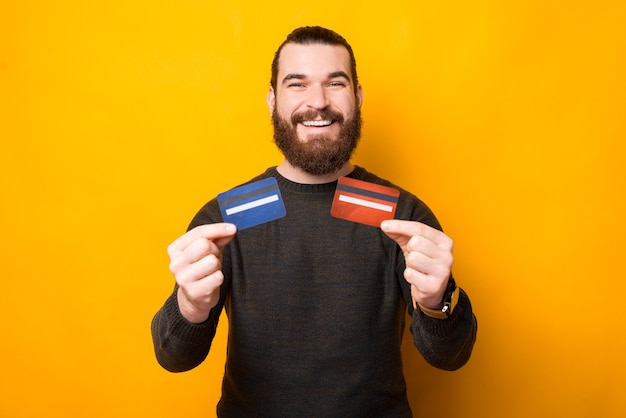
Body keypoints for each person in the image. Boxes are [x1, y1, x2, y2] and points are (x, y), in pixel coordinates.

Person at [152, 26, 477, 417]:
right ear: (273, 99)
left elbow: (451, 356)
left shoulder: (403, 216)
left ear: (357, 97)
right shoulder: (225, 219)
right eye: (297, 84)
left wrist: (437, 303)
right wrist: (189, 306)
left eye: (335, 83)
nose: (318, 102)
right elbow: (173, 356)